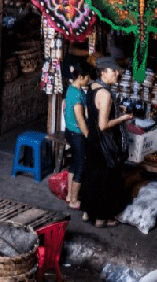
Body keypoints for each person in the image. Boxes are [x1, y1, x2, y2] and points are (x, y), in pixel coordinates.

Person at [81, 57, 133, 228]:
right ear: (103, 72)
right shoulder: (106, 94)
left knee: (93, 176)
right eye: (113, 70)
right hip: (104, 144)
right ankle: (103, 218)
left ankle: (89, 213)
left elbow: (91, 115)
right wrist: (123, 118)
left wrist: (115, 110)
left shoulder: (92, 88)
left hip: (93, 140)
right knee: (107, 180)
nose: (116, 73)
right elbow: (103, 125)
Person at [64, 60, 92, 210]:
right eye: (88, 77)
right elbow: (80, 118)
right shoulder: (76, 94)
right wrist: (88, 135)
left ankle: (69, 195)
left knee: (75, 163)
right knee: (81, 166)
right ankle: (74, 200)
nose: (89, 79)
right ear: (81, 76)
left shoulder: (73, 89)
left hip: (70, 132)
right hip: (77, 134)